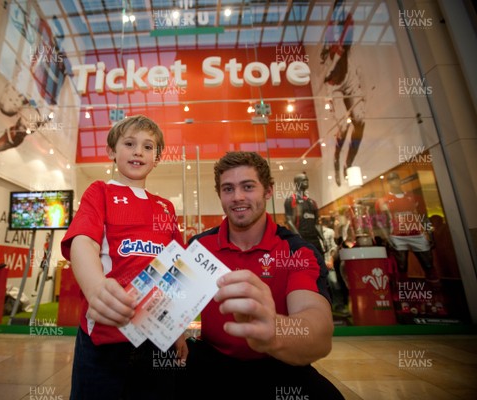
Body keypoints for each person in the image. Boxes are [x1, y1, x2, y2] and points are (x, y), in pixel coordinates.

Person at [184, 151, 343, 399]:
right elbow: (167, 306)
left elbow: (319, 333)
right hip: (212, 364)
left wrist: (274, 331)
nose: (237, 197)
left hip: (279, 363)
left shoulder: (297, 250)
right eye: (228, 189)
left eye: (248, 187)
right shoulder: (198, 247)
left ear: (268, 191)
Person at [60, 115, 187, 400]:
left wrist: (178, 327)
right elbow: (83, 242)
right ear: (112, 151)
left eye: (148, 146)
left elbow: (176, 269)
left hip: (157, 335)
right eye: (129, 144)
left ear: (157, 158)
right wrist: (95, 289)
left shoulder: (165, 207)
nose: (138, 151)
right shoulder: (100, 192)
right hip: (106, 338)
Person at [374, 172, 446, 316]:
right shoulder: (383, 200)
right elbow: (381, 221)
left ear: (400, 180)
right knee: (401, 268)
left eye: (396, 178)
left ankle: (438, 301)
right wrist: (387, 238)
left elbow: (423, 216)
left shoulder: (413, 197)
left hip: (417, 234)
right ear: (388, 183)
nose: (394, 182)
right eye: (391, 180)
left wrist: (429, 233)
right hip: (398, 236)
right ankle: (405, 300)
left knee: (428, 266)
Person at [320, 0, 366, 186]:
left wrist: (331, 65)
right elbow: (326, 54)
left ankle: (349, 164)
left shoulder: (348, 22)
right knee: (344, 128)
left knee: (360, 122)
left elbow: (341, 50)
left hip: (348, 76)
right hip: (334, 85)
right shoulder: (331, 27)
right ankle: (337, 159)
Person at [284, 173, 325, 257]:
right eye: (303, 180)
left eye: (307, 180)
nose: (306, 181)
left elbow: (316, 223)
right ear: (296, 183)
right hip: (302, 238)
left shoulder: (312, 202)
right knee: (305, 266)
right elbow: (289, 221)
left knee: (321, 265)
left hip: (315, 239)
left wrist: (323, 238)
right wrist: (298, 237)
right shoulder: (291, 200)